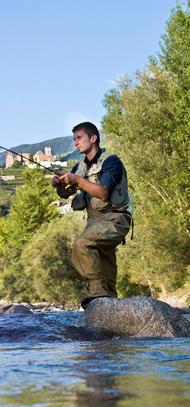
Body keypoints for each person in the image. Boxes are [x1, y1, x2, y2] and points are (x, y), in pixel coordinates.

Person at [52, 122, 132, 309]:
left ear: (93, 138)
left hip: (115, 219)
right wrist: (58, 185)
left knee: (83, 244)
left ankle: (96, 289)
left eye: (79, 138)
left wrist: (78, 180)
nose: (76, 143)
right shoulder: (79, 167)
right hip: (94, 221)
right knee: (104, 264)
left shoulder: (111, 162)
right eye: (74, 140)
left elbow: (103, 193)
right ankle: (109, 308)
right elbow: (65, 194)